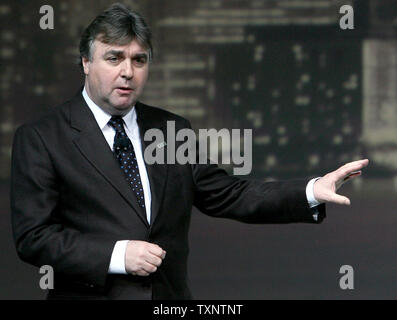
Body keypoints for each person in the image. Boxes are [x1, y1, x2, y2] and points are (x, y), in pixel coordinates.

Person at [10, 3, 369, 300]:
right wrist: (116, 256)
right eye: (113, 58)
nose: (127, 72)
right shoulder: (42, 137)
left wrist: (309, 190)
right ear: (86, 63)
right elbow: (34, 237)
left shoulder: (170, 130)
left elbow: (228, 194)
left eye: (139, 60)